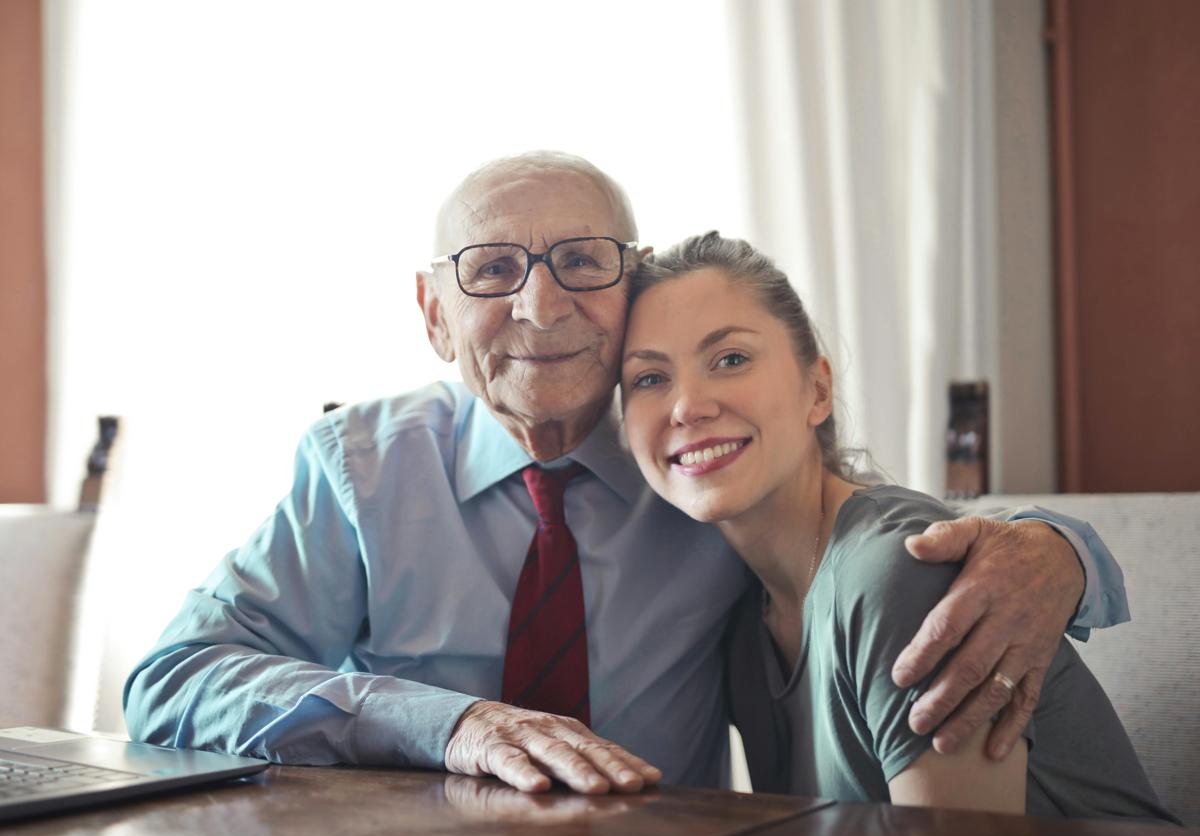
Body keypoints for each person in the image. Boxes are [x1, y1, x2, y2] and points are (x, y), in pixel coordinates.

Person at [124, 152, 1130, 796]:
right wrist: (452, 724)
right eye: (490, 270)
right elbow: (170, 680)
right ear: (434, 316)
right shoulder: (359, 472)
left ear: (628, 292)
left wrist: (1059, 552)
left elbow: (873, 538)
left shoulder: (698, 468)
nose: (540, 302)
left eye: (581, 261)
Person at [620, 231, 1176, 821]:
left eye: (730, 359)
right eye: (649, 379)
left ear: (817, 389)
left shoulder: (900, 572)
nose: (686, 406)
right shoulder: (742, 620)